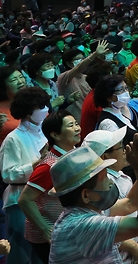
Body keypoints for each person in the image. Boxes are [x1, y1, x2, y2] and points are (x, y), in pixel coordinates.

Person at [47, 125, 138, 264]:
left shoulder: (81, 212)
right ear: (86, 195)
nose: (110, 184)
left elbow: (130, 203)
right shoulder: (82, 226)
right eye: (105, 179)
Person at [19, 110, 81, 263]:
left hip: (66, 230)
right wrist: (46, 230)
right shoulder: (49, 166)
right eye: (71, 125)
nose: (77, 128)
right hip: (48, 235)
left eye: (77, 123)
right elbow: (25, 200)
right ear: (55, 135)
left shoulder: (74, 153)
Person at [1, 87, 51, 264]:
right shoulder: (14, 138)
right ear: (29, 111)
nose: (46, 109)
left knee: (41, 250)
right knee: (21, 251)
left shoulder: (43, 132)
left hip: (43, 198)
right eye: (41, 106)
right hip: (19, 200)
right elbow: (8, 174)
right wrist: (35, 166)